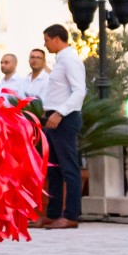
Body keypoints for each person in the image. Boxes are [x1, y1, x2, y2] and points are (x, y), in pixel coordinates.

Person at [39, 24, 87, 229]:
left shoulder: (70, 60)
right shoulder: (61, 60)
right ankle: (53, 214)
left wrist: (60, 113)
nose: (45, 44)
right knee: (54, 169)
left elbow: (79, 91)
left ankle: (71, 216)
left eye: (46, 40)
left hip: (64, 119)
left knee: (69, 168)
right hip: (53, 119)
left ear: (57, 39)